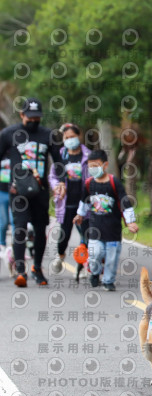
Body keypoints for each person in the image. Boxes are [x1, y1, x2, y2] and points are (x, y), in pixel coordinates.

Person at [0, 97, 65, 287]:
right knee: (19, 230)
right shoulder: (9, 134)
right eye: (29, 117)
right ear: (22, 115)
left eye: (37, 117)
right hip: (18, 191)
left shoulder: (48, 135)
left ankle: (37, 267)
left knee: (39, 230)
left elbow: (58, 161)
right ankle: (21, 271)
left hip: (40, 191)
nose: (33, 121)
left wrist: (60, 182)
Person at [73, 149, 138, 291]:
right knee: (95, 253)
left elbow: (124, 201)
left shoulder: (114, 182)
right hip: (95, 229)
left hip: (113, 230)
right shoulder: (89, 183)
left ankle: (108, 281)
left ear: (105, 165)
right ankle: (95, 272)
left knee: (111, 259)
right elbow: (84, 202)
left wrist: (131, 221)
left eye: (96, 165)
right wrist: (79, 215)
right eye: (90, 166)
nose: (93, 168)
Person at [49, 123, 91, 275]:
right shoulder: (60, 155)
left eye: (72, 137)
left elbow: (93, 176)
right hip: (66, 202)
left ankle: (85, 264)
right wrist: (56, 187)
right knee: (64, 234)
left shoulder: (87, 155)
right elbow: (52, 176)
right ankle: (60, 256)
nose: (69, 140)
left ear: (78, 136)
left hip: (84, 202)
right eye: (66, 138)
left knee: (86, 234)